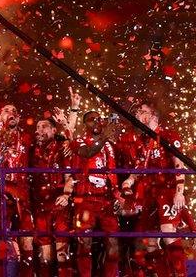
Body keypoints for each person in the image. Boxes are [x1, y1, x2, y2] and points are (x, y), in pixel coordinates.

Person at [120, 103, 188, 276]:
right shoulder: (143, 141)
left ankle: (181, 275)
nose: (137, 115)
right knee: (150, 242)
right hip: (150, 195)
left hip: (166, 191)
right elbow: (139, 167)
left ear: (153, 116)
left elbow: (178, 162)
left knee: (168, 233)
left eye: (141, 112)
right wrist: (129, 180)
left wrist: (179, 190)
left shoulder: (167, 135)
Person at [70, 111, 122, 277]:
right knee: (84, 243)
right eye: (92, 120)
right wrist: (104, 138)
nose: (97, 122)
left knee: (113, 244)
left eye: (99, 119)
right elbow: (88, 153)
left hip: (106, 200)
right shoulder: (78, 141)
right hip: (85, 199)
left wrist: (117, 193)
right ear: (85, 124)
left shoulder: (108, 145)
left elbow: (112, 171)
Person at [0, 104, 34, 276]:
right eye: (6, 110)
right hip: (0, 194)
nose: (11, 113)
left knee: (27, 241)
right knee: (3, 241)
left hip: (24, 196)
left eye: (15, 111)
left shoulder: (27, 138)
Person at [30, 118, 73, 277]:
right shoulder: (31, 149)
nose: (39, 130)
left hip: (58, 203)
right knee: (44, 254)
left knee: (62, 251)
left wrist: (66, 194)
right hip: (40, 205)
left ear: (54, 130)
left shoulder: (62, 148)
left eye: (44, 126)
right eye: (37, 127)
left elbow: (70, 175)